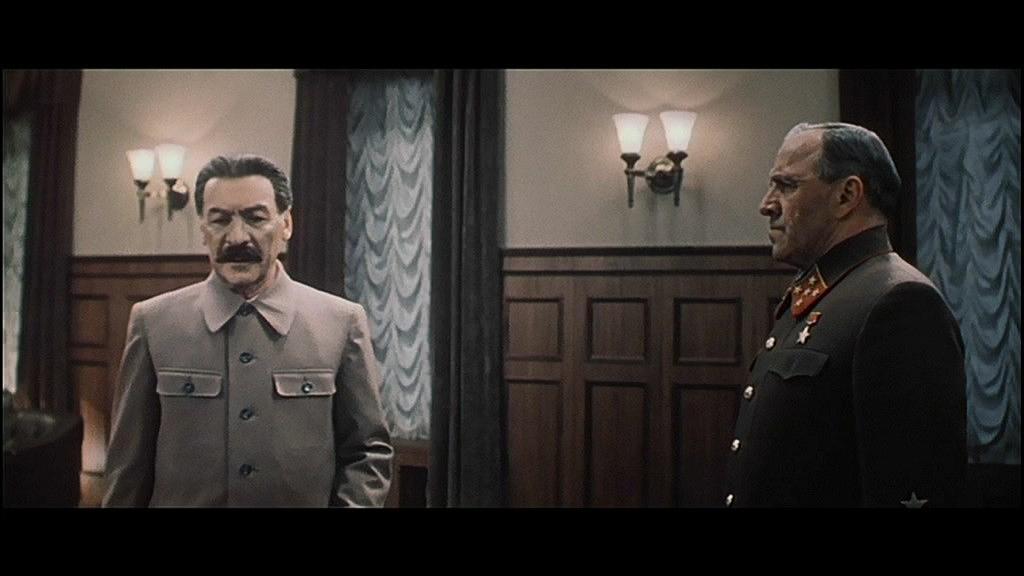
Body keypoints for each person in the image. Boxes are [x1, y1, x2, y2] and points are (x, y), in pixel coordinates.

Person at [104, 154, 392, 507]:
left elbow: (367, 453)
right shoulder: (153, 322)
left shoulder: (341, 321)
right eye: (220, 220)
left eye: (255, 218)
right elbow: (127, 468)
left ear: (286, 225)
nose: (238, 237)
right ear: (203, 230)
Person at [725, 122, 966, 507]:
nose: (766, 204)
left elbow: (911, 484)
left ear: (847, 195)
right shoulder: (823, 292)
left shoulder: (899, 302)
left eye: (786, 185)